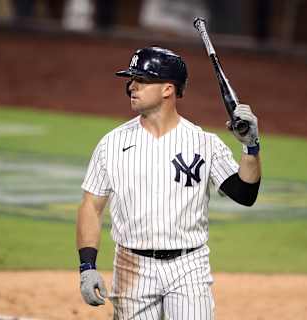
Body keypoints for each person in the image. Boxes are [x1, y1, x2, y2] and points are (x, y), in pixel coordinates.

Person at [76, 46, 261, 320]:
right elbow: (91, 206)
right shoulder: (112, 144)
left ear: (167, 89)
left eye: (141, 80)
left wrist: (251, 148)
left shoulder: (204, 143)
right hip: (132, 266)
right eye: (131, 80)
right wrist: (87, 266)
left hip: (189, 267)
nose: (131, 87)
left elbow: (245, 193)